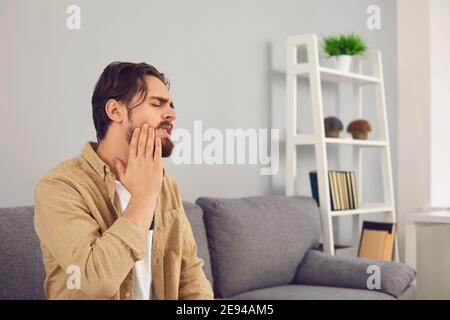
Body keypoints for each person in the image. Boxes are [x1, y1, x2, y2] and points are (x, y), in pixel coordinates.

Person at [34, 62, 213, 300]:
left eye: (171, 105)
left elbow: (190, 277)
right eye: (157, 103)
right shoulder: (60, 187)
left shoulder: (166, 185)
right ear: (115, 111)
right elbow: (95, 281)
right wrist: (144, 197)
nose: (172, 114)